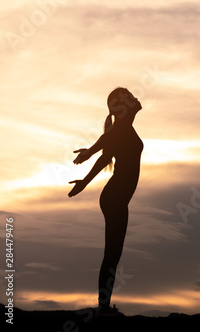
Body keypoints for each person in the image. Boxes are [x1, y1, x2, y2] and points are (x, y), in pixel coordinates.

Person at [68, 87, 144, 317]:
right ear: (122, 107)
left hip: (117, 197)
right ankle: (103, 308)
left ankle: (104, 306)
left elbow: (103, 151)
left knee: (114, 253)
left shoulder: (124, 129)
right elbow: (104, 152)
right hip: (114, 197)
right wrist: (85, 179)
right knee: (112, 253)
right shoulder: (121, 131)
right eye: (130, 97)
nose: (136, 98)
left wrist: (90, 154)